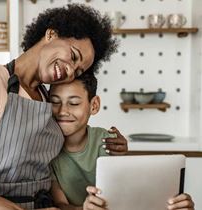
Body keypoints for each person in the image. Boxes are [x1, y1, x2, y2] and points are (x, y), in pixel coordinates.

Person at [0, 4, 124, 210]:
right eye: (73, 56)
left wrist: (110, 145)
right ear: (51, 34)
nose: (70, 71)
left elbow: (73, 147)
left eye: (78, 71)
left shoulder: (49, 100)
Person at [48, 72, 195, 210]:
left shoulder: (107, 141)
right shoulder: (45, 148)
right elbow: (60, 204)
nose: (62, 111)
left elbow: (125, 196)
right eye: (55, 102)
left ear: (94, 105)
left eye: (73, 103)